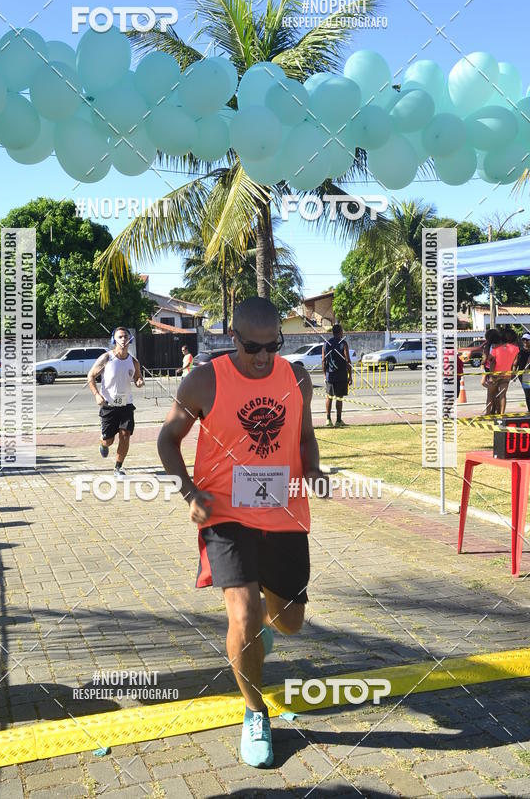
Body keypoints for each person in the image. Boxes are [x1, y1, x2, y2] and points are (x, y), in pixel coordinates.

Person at [157, 297, 332, 769]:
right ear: (232, 337)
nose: (262, 356)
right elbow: (166, 439)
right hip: (224, 513)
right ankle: (256, 712)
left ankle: (258, 637)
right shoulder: (204, 379)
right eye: (253, 346)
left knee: (290, 621)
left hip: (285, 514)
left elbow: (304, 435)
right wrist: (190, 493)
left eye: (272, 345)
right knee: (245, 615)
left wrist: (312, 468)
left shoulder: (296, 377)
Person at [87, 326, 144, 478]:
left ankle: (118, 468)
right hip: (109, 406)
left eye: (125, 336)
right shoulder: (106, 358)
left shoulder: (134, 361)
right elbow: (90, 376)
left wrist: (139, 381)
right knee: (109, 441)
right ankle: (102, 443)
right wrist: (96, 395)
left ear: (130, 339)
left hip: (126, 405)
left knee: (125, 435)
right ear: (114, 340)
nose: (123, 339)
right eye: (120, 337)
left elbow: (138, 377)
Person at [321, 323, 352, 427]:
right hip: (341, 375)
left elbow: (323, 361)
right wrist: (350, 375)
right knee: (339, 397)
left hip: (330, 375)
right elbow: (348, 360)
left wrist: (325, 375)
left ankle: (328, 419)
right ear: (341, 332)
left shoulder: (326, 344)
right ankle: (338, 420)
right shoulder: (343, 343)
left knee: (329, 396)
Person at [487, 327, 519, 416]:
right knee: (503, 395)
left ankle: (488, 413)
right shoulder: (516, 349)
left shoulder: (496, 349)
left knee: (491, 394)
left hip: (495, 374)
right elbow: (515, 363)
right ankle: (502, 414)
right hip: (507, 374)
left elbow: (490, 359)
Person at [514, 332, 530, 412]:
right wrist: (513, 373)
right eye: (524, 340)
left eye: (527, 340)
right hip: (524, 375)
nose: (525, 342)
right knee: (527, 393)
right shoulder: (520, 351)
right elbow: (515, 363)